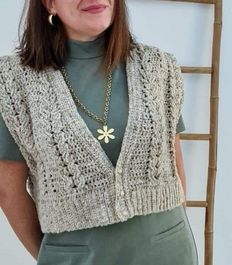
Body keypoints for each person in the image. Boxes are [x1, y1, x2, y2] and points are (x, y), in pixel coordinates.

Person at [0, 0, 198, 264]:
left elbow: (175, 162)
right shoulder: (13, 83)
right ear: (49, 4)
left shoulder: (158, 68)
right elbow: (8, 190)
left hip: (169, 250)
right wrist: (52, 256)